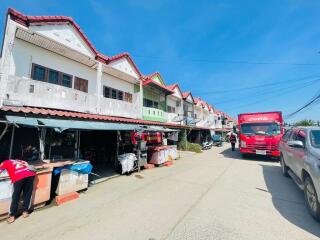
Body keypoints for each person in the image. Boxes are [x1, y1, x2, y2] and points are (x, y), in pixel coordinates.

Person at [0, 159, 36, 224]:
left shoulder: (4, 162)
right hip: (30, 175)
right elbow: (29, 167)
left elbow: (0, 170)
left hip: (19, 177)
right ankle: (25, 212)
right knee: (27, 194)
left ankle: (12, 216)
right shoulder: (21, 160)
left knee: (16, 196)